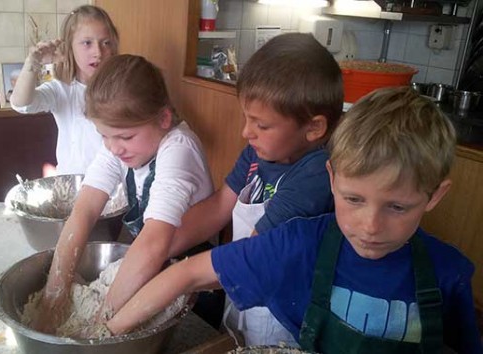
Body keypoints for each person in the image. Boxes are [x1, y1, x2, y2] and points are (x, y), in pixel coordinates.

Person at [106, 86, 483, 354]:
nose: (370, 226)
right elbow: (185, 274)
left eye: (397, 207)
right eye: (353, 199)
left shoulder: (447, 275)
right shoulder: (302, 243)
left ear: (434, 195)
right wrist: (107, 334)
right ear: (332, 179)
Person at [167, 32, 343, 346]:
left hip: (283, 319)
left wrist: (183, 278)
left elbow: (255, 254)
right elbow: (220, 205)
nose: (246, 132)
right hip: (243, 295)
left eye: (261, 125)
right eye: (247, 119)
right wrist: (161, 247)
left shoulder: (314, 175)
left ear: (314, 128)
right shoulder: (258, 154)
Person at [32, 54, 214, 334]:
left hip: (192, 288)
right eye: (104, 136)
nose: (114, 148)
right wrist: (55, 293)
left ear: (164, 118)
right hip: (148, 266)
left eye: (125, 137)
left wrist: (101, 322)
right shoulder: (121, 145)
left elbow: (155, 242)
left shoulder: (178, 150)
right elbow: (85, 210)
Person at [10, 5, 119, 175]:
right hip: (71, 184)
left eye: (106, 43)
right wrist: (33, 63)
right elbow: (21, 104)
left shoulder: (122, 88)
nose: (98, 52)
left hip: (113, 186)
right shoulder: (61, 89)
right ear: (70, 47)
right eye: (87, 43)